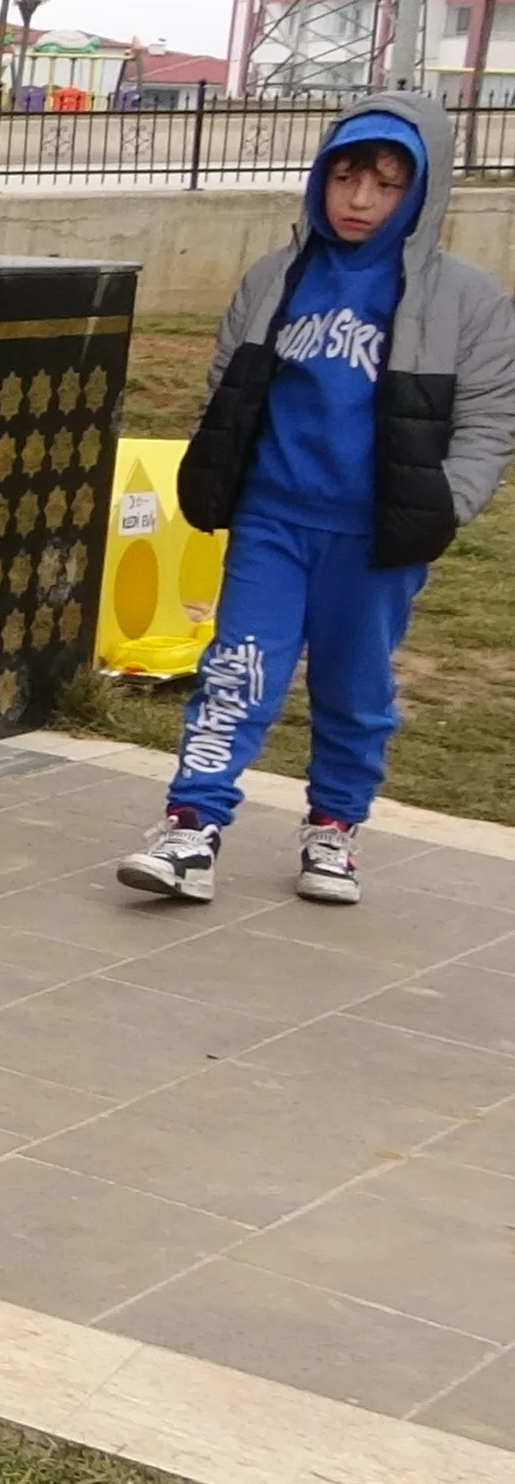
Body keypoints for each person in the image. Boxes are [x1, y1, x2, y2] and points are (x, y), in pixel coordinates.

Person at [121, 92, 514, 906]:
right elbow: (228, 386)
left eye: (385, 183)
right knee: (237, 671)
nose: (360, 200)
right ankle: (192, 825)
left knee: (354, 685)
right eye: (344, 177)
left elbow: (488, 419)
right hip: (274, 521)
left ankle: (335, 826)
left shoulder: (467, 302)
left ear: (422, 192)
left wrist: (444, 507)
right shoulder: (275, 280)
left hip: (375, 538)